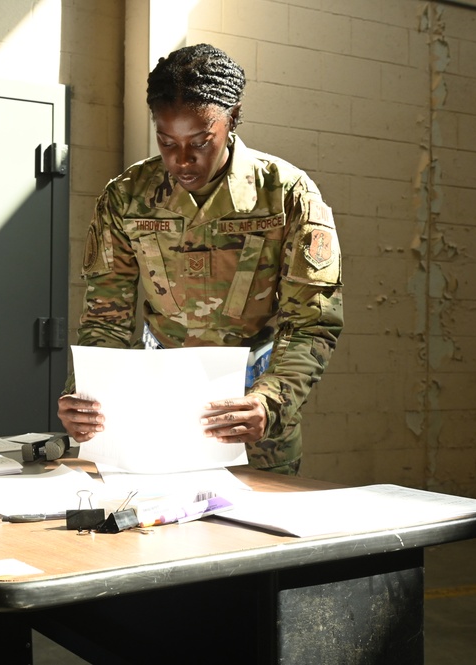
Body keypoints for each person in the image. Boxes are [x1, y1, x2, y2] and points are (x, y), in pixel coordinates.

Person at [58, 43, 343, 474]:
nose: (182, 160)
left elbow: (311, 324)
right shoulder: (127, 197)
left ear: (232, 121)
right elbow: (105, 319)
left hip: (254, 426)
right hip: (154, 422)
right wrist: (87, 394)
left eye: (200, 142)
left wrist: (270, 402)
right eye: (166, 142)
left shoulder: (288, 195)